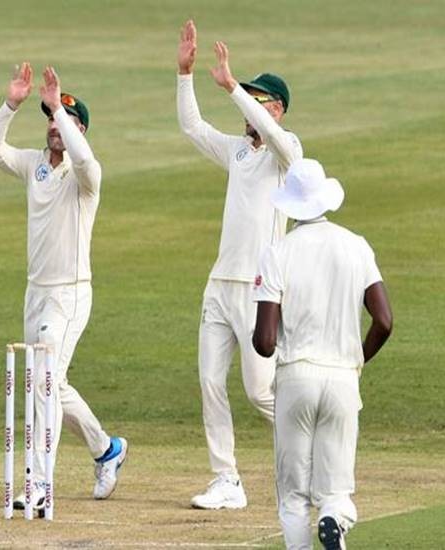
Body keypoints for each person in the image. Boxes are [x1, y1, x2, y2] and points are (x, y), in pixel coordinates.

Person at [0, 63, 127, 512]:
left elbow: (84, 160)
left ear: (79, 129)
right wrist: (11, 104)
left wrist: (60, 109)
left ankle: (40, 484)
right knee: (51, 383)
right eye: (49, 119)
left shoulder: (86, 177)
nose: (54, 127)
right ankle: (106, 449)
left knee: (42, 383)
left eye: (65, 121)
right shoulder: (34, 165)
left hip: (70, 294)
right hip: (36, 292)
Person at [176, 19, 303, 509]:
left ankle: (312, 447)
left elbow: (273, 135)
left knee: (259, 392)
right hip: (219, 285)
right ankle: (226, 479)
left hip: (258, 289)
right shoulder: (238, 152)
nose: (248, 106)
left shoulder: (287, 152)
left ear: (277, 108)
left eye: (257, 99)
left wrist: (232, 88)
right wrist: (184, 75)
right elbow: (192, 127)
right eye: (247, 97)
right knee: (210, 382)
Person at [252, 158, 393, 550]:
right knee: (335, 491)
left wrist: (260, 331)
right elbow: (384, 321)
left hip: (296, 377)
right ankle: (333, 518)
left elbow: (265, 342)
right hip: (343, 378)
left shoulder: (278, 252)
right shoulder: (356, 245)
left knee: (293, 495)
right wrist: (356, 360)